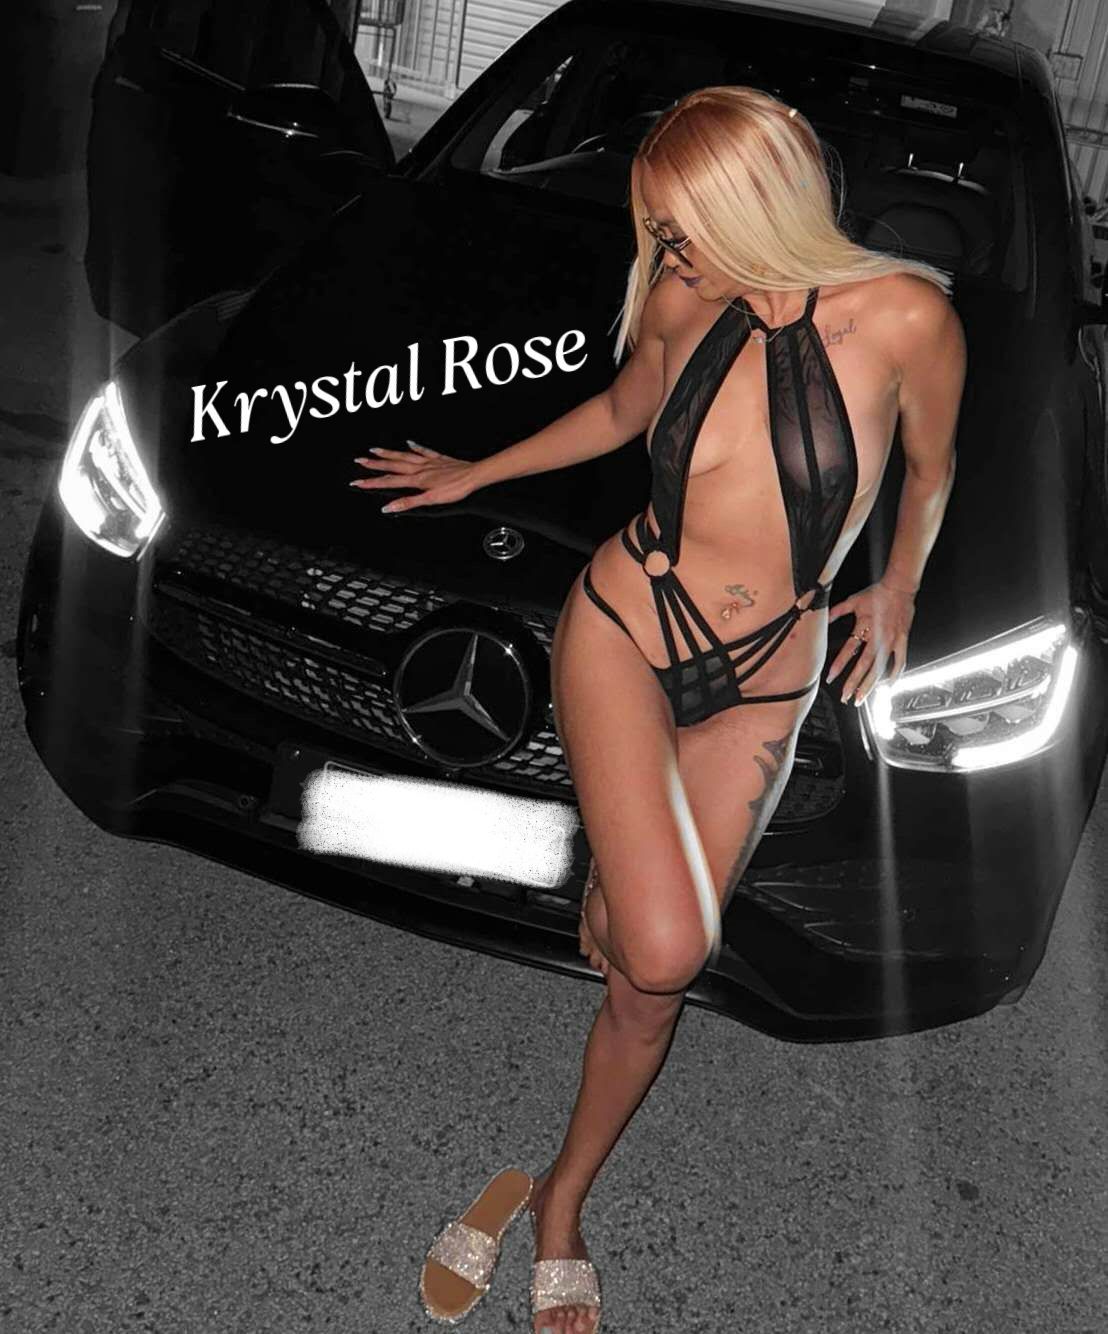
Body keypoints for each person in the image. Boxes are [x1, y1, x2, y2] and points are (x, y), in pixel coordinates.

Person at [351, 86, 965, 1334]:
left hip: (769, 671)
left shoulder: (907, 317)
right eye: (660, 231)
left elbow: (930, 468)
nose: (668, 253)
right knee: (672, 944)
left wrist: (897, 582)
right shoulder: (686, 295)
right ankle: (621, 864)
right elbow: (628, 408)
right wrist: (475, 470)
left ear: (764, 205)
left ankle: (557, 1201)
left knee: (645, 978)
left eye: (685, 227)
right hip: (627, 629)